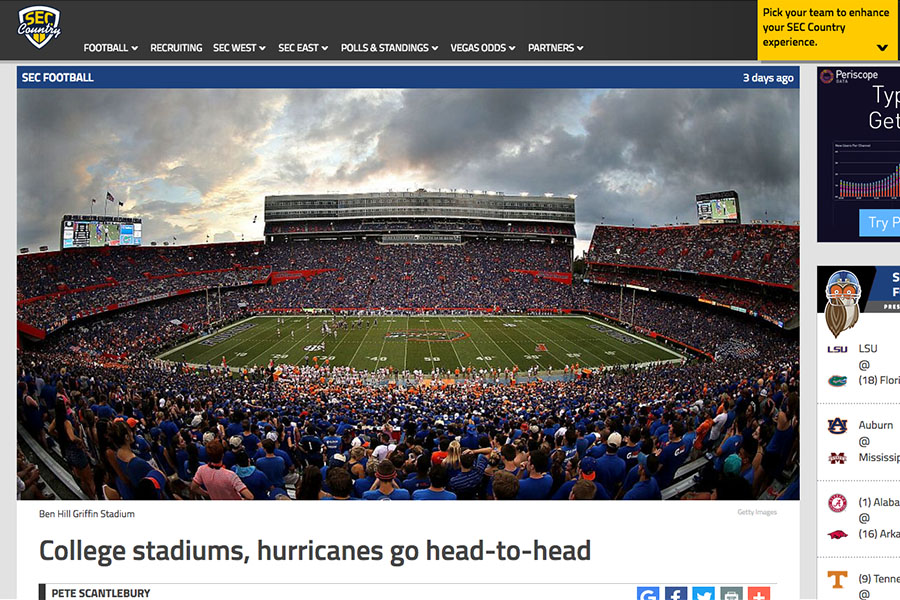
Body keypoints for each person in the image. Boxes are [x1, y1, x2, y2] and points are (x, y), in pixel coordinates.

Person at [49, 397, 96, 499]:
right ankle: (95, 497)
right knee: (89, 478)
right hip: (75, 452)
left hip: (67, 452)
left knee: (81, 478)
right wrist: (79, 440)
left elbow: (50, 430)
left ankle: (89, 496)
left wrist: (59, 436)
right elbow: (71, 437)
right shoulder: (66, 422)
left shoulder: (56, 420)